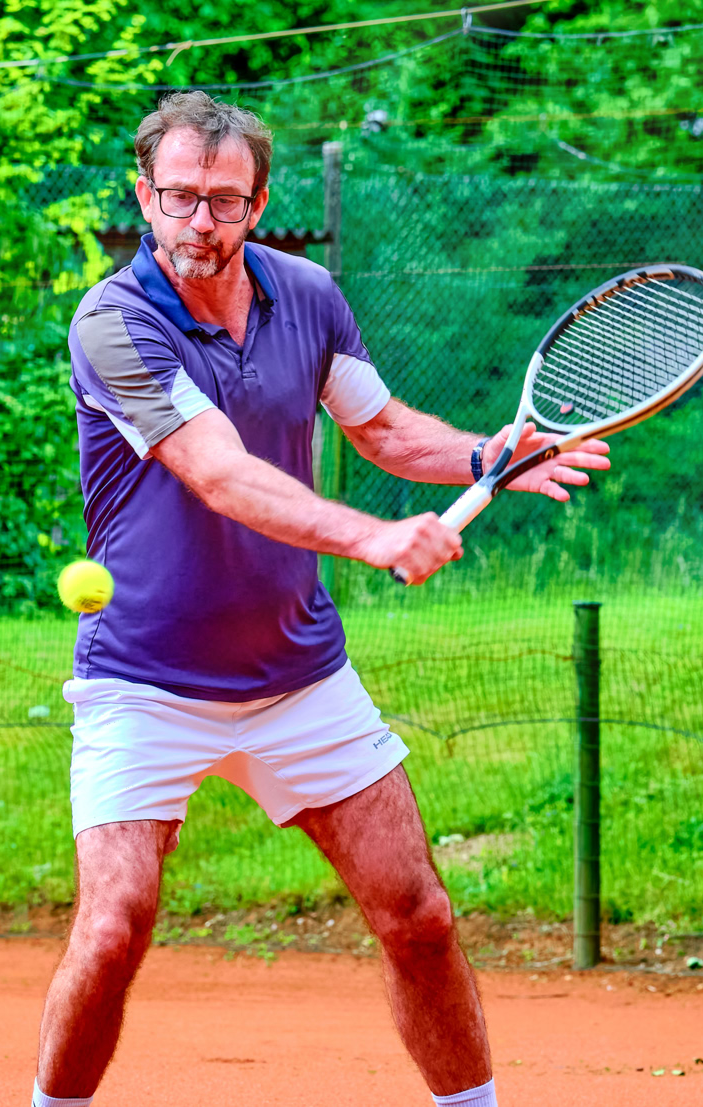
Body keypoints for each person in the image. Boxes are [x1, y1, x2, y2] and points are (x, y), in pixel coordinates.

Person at [33, 91, 608, 1107]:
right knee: (114, 925)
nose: (199, 221)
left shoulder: (306, 294)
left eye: (223, 200)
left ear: (258, 204)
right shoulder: (112, 325)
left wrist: (485, 455)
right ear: (145, 195)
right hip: (145, 681)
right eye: (178, 197)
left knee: (418, 916)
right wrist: (371, 536)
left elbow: (380, 430)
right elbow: (219, 472)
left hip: (298, 677)